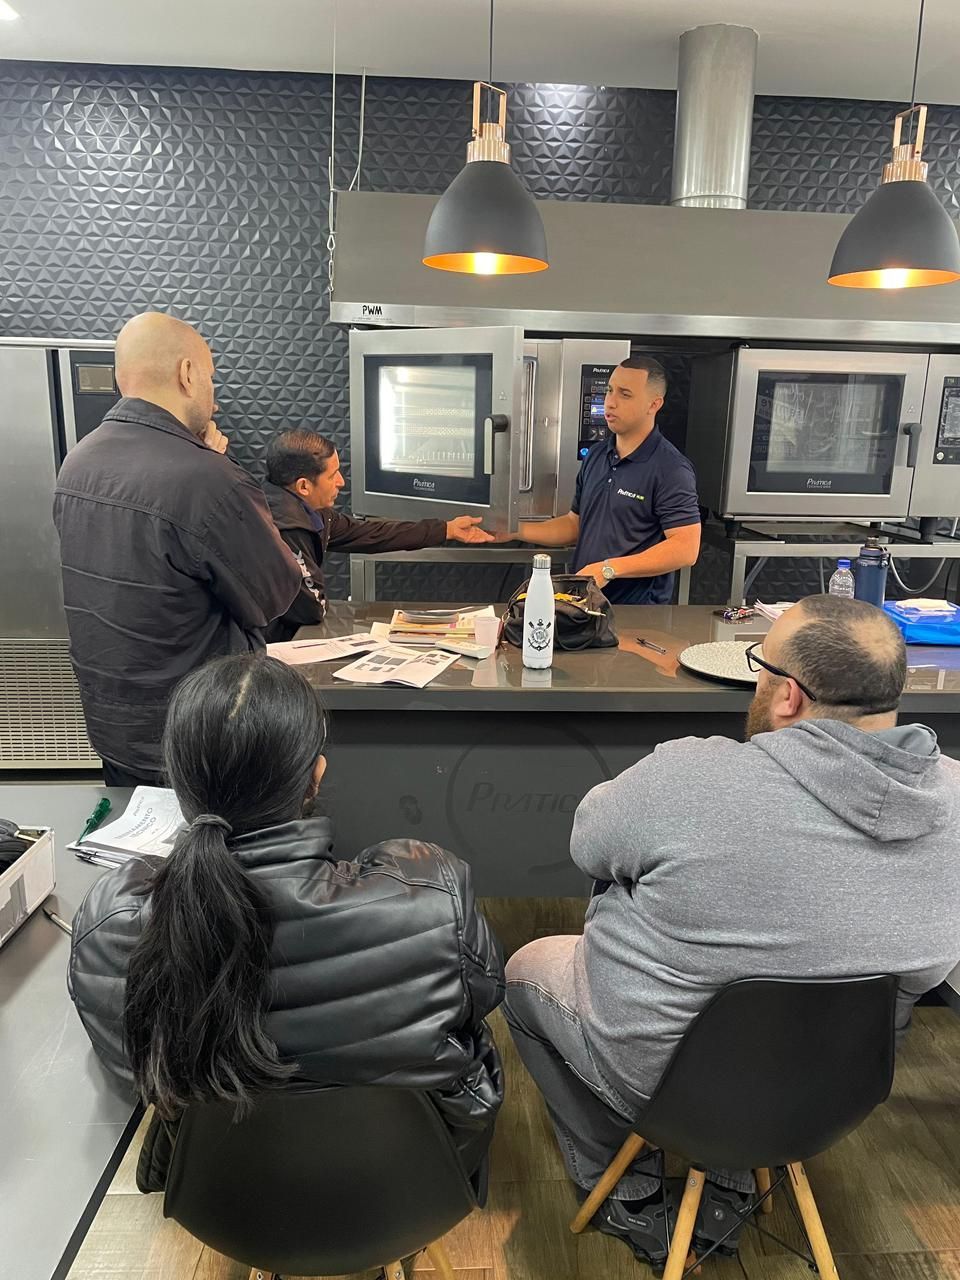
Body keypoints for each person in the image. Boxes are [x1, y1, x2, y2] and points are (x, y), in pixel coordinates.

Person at [503, 595, 960, 1267]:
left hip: (665, 1082)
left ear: (789, 698)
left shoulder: (690, 776)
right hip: (838, 1094)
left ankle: (630, 1195)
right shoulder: (953, 795)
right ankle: (733, 1179)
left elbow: (589, 845)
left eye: (760, 664)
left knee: (524, 970)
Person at [68, 653, 505, 1198]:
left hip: (224, 1196)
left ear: (177, 782)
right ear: (315, 775)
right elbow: (485, 992)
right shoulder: (432, 894)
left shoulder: (110, 921)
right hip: (411, 1185)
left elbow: (128, 1068)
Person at [53, 312, 301, 786]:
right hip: (201, 740)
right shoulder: (207, 478)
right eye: (210, 377)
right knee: (213, 860)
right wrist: (215, 462)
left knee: (142, 857)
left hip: (114, 730)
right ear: (188, 374)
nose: (214, 395)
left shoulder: (78, 462)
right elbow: (275, 595)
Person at [261, 428, 494, 640]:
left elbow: (369, 533)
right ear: (304, 486)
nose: (341, 482)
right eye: (332, 476)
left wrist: (446, 529)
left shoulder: (305, 510)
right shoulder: (286, 528)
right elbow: (312, 608)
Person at [505, 355, 701, 602]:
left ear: (654, 404)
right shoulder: (597, 455)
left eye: (625, 394)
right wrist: (512, 530)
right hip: (584, 605)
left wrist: (610, 568)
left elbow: (685, 548)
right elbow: (574, 525)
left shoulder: (671, 469)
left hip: (637, 613)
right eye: (609, 391)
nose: (610, 402)